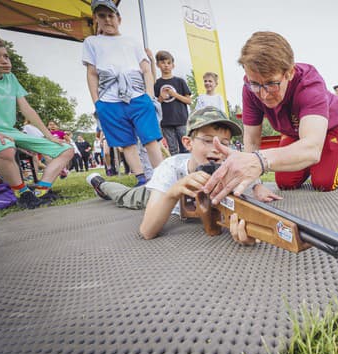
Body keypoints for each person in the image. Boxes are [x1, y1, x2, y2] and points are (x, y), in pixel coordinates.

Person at [203, 32, 338, 205]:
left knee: (323, 182)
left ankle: (336, 165)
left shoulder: (310, 83)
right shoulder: (250, 90)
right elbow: (251, 139)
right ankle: (311, 164)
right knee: (285, 183)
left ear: (289, 72)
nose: (264, 95)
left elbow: (311, 147)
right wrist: (256, 184)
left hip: (329, 129)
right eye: (256, 84)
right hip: (293, 131)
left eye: (272, 83)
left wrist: (259, 161)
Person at [85, 106, 244, 240]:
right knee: (125, 196)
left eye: (224, 143)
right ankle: (100, 184)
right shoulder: (171, 167)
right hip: (156, 194)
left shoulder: (228, 168)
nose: (217, 149)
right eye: (208, 140)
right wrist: (173, 192)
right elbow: (147, 231)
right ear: (188, 143)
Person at [82, 0, 164, 186]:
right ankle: (141, 178)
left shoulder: (132, 41)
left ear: (119, 18)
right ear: (96, 18)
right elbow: (92, 73)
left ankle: (162, 178)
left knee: (150, 139)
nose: (107, 20)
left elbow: (146, 70)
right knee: (127, 143)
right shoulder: (92, 42)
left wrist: (149, 96)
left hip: (137, 96)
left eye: (111, 15)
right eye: (102, 16)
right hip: (109, 99)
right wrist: (98, 103)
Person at [0, 35, 73, 209]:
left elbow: (27, 109)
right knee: (5, 150)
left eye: (6, 56)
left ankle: (40, 190)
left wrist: (49, 136)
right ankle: (22, 193)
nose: (3, 60)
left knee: (66, 149)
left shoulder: (11, 78)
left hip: (11, 130)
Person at [154, 50, 192, 155]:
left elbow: (189, 101)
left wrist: (174, 94)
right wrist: (161, 98)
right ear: (158, 65)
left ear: (173, 65)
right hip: (166, 122)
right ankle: (176, 170)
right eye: (163, 63)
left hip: (181, 119)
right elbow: (155, 103)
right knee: (173, 149)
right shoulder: (157, 83)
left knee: (186, 146)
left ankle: (188, 169)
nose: (166, 65)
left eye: (168, 63)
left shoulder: (180, 81)